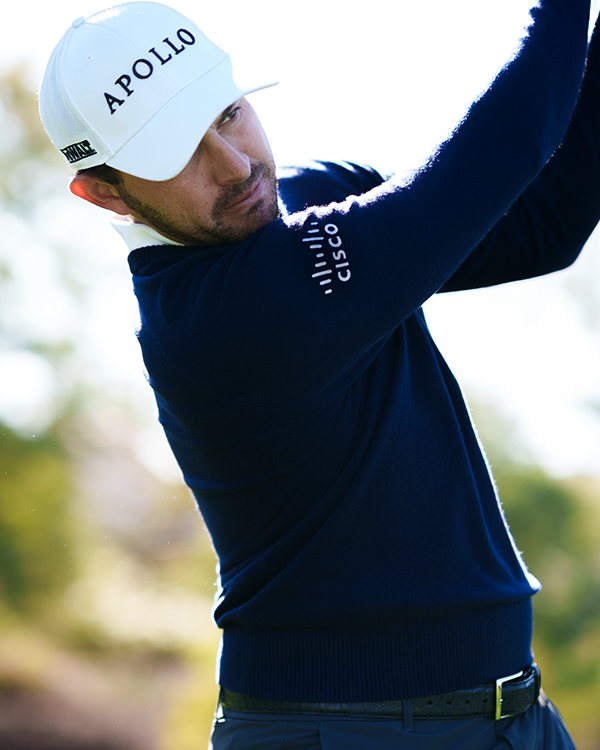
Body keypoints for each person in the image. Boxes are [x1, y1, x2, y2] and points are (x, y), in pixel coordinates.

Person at [38, 1, 600, 747]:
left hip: (509, 716)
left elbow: (543, 226)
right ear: (105, 191)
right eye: (177, 154)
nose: (235, 165)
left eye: (230, 114)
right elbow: (500, 151)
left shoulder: (304, 200)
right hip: (342, 732)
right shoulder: (218, 315)